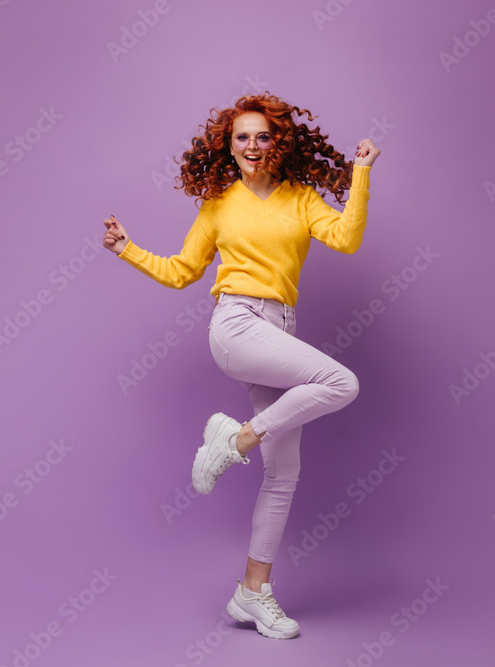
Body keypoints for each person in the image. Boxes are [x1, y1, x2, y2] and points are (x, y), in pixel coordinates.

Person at [102, 91, 380, 639]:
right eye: (241, 137)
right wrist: (126, 248)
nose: (253, 145)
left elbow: (346, 239)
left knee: (284, 475)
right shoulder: (219, 204)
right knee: (340, 381)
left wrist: (363, 173)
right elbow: (184, 271)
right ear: (228, 148)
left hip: (280, 329)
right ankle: (235, 442)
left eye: (262, 135)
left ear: (278, 142)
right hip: (236, 325)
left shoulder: (300, 198)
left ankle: (252, 594)